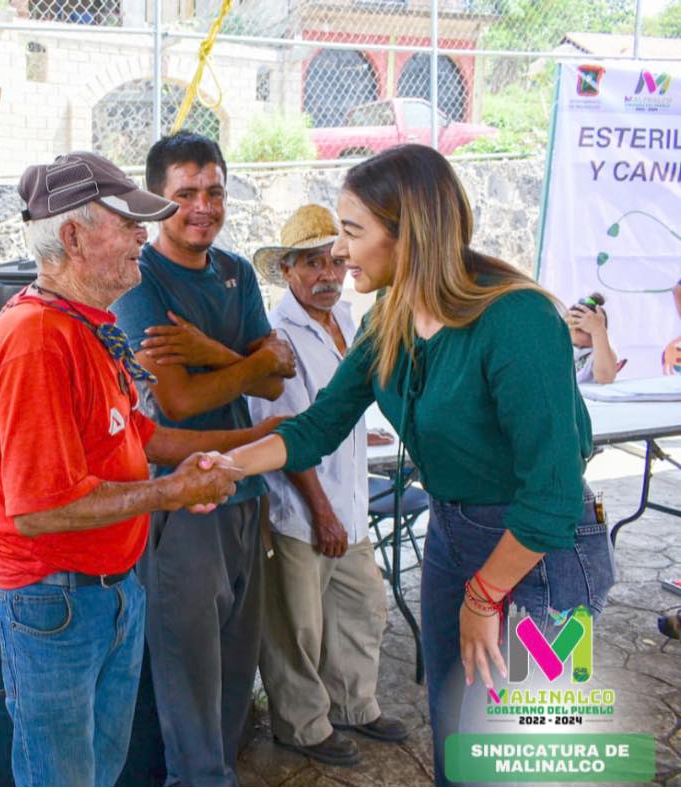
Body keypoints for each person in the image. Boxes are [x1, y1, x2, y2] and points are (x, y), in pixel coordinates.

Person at [212, 145, 614, 785]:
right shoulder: (388, 319)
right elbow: (317, 427)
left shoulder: (517, 319)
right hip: (455, 536)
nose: (339, 254)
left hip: (538, 552)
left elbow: (553, 498)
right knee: (456, 728)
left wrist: (484, 598)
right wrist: (226, 465)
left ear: (411, 234)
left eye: (352, 232)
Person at [0, 151, 280, 787]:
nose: (145, 235)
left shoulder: (86, 324)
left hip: (109, 590)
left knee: (100, 769)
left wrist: (219, 453)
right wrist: (169, 493)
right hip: (54, 601)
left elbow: (141, 434)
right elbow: (39, 508)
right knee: (63, 776)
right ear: (74, 237)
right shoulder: (37, 341)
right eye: (129, 224)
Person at [112, 131, 297, 785]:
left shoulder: (235, 271)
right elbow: (181, 403)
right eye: (184, 193)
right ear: (157, 202)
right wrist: (251, 362)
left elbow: (276, 381)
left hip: (246, 489)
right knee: (187, 667)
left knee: (233, 663)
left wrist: (212, 351)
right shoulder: (140, 280)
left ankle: (213, 775)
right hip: (182, 496)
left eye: (213, 191)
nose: (202, 207)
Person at [247, 206, 406, 764]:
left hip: (350, 503)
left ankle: (354, 706)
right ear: (288, 269)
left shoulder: (350, 322)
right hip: (305, 510)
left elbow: (342, 410)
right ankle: (303, 725)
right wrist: (322, 512)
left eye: (336, 262)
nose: (329, 275)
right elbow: (294, 431)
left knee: (361, 612)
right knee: (299, 630)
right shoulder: (277, 337)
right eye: (313, 263)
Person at [568, 292, 620, 384]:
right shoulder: (561, 346)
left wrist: (598, 331)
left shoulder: (604, 351)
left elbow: (605, 378)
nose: (579, 350)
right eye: (575, 345)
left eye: (585, 348)